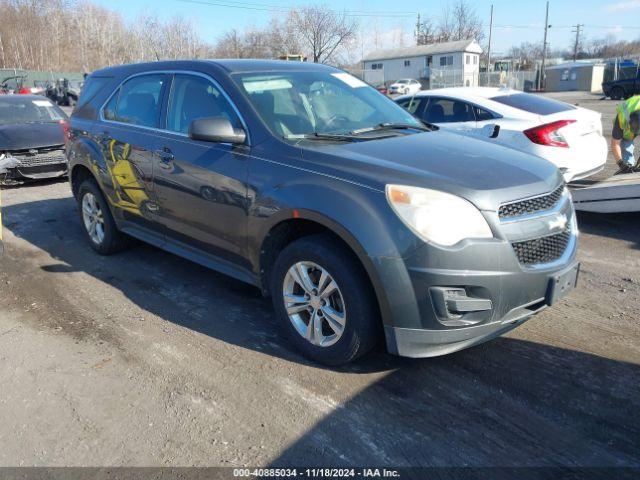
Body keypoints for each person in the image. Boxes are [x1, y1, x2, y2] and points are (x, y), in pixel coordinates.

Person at [612, 95, 640, 174]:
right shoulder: (622, 117)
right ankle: (628, 166)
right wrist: (621, 164)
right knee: (626, 140)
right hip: (626, 126)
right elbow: (615, 143)